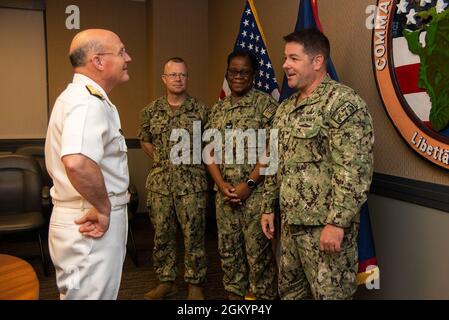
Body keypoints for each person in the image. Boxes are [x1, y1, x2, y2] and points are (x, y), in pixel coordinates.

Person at [260, 29, 374, 300]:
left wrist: (336, 223)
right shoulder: (285, 109)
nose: (285, 64)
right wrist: (267, 208)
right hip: (289, 228)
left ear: (317, 61)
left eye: (293, 58)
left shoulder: (343, 103)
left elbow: (354, 171)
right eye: (285, 58)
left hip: (324, 231)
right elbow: (274, 162)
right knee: (290, 294)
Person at [45, 29, 132, 300]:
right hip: (90, 221)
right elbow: (78, 162)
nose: (128, 57)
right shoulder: (87, 102)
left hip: (85, 216)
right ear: (97, 61)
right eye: (121, 52)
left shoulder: (84, 97)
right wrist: (104, 209)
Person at [205, 51, 278, 300]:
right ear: (227, 73)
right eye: (233, 71)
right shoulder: (217, 109)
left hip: (255, 197)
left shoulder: (266, 105)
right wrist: (221, 183)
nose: (238, 76)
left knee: (259, 261)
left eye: (244, 71)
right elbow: (208, 150)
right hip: (225, 197)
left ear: (253, 75)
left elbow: (273, 149)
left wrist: (249, 183)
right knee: (229, 257)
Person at [139, 57, 208, 300]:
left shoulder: (201, 110)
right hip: (160, 185)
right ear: (164, 79)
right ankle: (166, 281)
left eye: (182, 75)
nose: (178, 79)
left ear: (187, 78)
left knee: (194, 236)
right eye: (173, 74)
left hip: (192, 185)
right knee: (162, 234)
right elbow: (144, 138)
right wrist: (160, 158)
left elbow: (209, 146)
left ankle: (195, 284)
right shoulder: (150, 110)